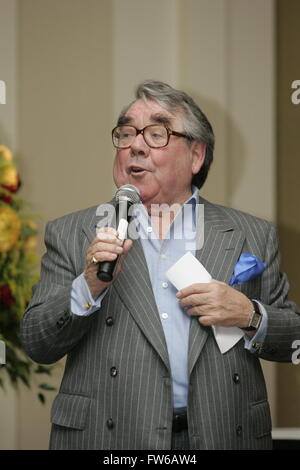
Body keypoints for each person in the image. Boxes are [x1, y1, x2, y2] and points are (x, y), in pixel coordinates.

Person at [21, 80, 300, 450]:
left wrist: (249, 314)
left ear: (196, 156)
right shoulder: (73, 232)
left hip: (222, 433)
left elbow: (294, 339)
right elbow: (37, 344)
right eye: (126, 133)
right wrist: (88, 286)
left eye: (156, 133)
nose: (135, 145)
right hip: (111, 439)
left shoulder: (252, 234)